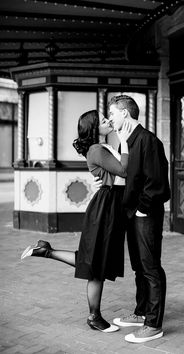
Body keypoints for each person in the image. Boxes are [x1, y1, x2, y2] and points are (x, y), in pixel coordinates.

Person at [21, 109, 131, 334]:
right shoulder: (96, 149)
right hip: (106, 208)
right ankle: (94, 316)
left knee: (94, 260)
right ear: (94, 129)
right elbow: (123, 170)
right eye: (102, 120)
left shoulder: (103, 147)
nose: (107, 120)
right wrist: (125, 140)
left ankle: (46, 251)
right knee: (96, 265)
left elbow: (115, 173)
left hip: (111, 204)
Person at [97, 95, 170, 343]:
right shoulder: (126, 141)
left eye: (113, 113)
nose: (110, 118)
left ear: (125, 114)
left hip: (145, 214)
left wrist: (141, 209)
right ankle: (141, 313)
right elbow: (126, 175)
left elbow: (158, 183)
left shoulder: (149, 140)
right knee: (139, 267)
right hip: (133, 213)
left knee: (150, 268)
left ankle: (153, 324)